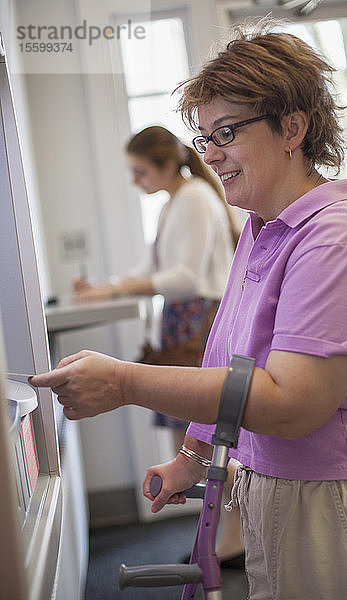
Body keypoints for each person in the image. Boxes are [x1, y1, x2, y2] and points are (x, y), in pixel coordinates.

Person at [31, 18, 347, 600]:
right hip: (280, 484)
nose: (211, 154)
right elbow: (225, 353)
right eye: (205, 138)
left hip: (338, 493)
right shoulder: (263, 228)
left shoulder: (338, 240)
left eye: (226, 132)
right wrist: (192, 456)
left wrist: (127, 382)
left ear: (293, 127)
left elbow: (291, 405)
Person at [72, 125, 244, 566]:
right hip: (182, 323)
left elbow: (184, 277)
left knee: (205, 438)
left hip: (195, 321)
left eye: (139, 171)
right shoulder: (176, 202)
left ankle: (235, 536)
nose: (135, 181)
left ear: (167, 165)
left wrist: (115, 290)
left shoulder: (193, 200)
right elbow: (153, 267)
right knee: (193, 438)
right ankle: (224, 536)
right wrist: (106, 286)